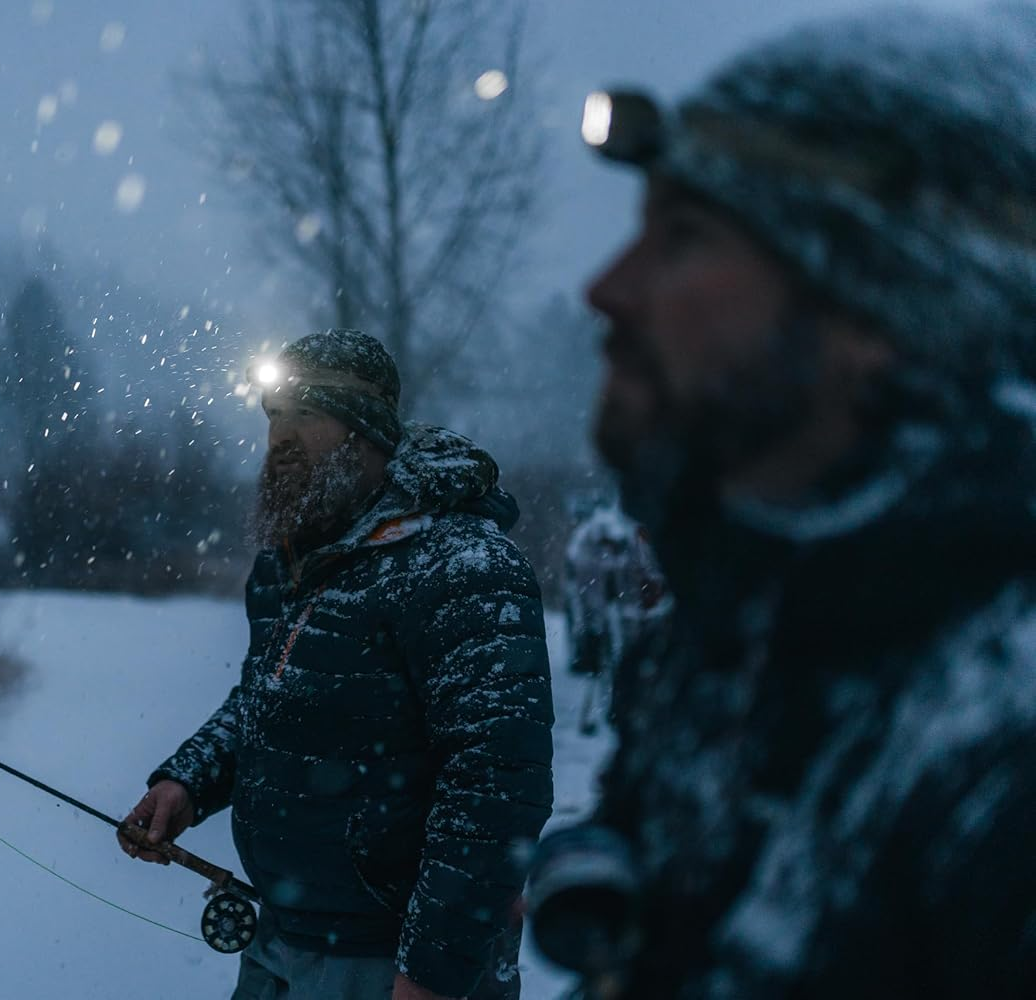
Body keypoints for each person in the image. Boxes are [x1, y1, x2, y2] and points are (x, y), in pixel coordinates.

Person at [524, 7, 1036, 997]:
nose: (605, 289)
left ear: (881, 306)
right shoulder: (752, 618)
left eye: (685, 236)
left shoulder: (1002, 753)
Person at [121, 329, 554, 1000]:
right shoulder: (289, 561)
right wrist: (188, 781)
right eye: (273, 415)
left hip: (392, 966)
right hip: (282, 941)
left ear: (365, 431)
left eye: (306, 414)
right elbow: (266, 700)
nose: (282, 436)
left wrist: (431, 973)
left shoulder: (461, 564)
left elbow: (495, 786)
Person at [561, 499, 668, 730]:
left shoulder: (625, 536)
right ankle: (616, 706)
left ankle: (620, 706)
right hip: (614, 609)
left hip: (628, 611)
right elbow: (585, 584)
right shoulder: (595, 536)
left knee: (625, 658)